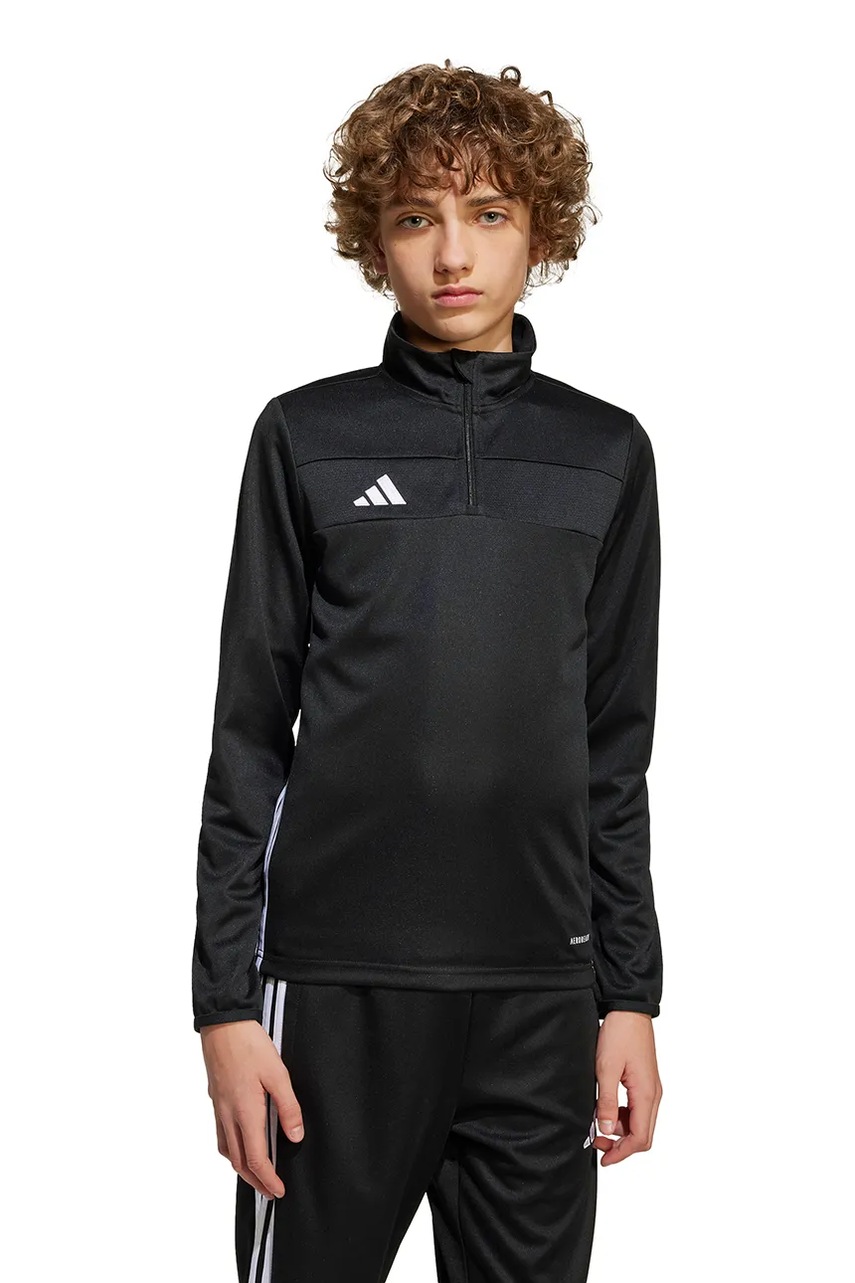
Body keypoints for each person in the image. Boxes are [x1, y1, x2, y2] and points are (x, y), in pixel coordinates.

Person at [192, 58, 664, 1283]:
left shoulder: (604, 453)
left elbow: (614, 747)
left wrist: (631, 993)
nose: (453, 253)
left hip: (541, 995)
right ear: (375, 241)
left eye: (488, 212)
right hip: (336, 992)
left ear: (539, 230)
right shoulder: (306, 437)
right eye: (416, 217)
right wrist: (226, 1006)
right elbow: (250, 734)